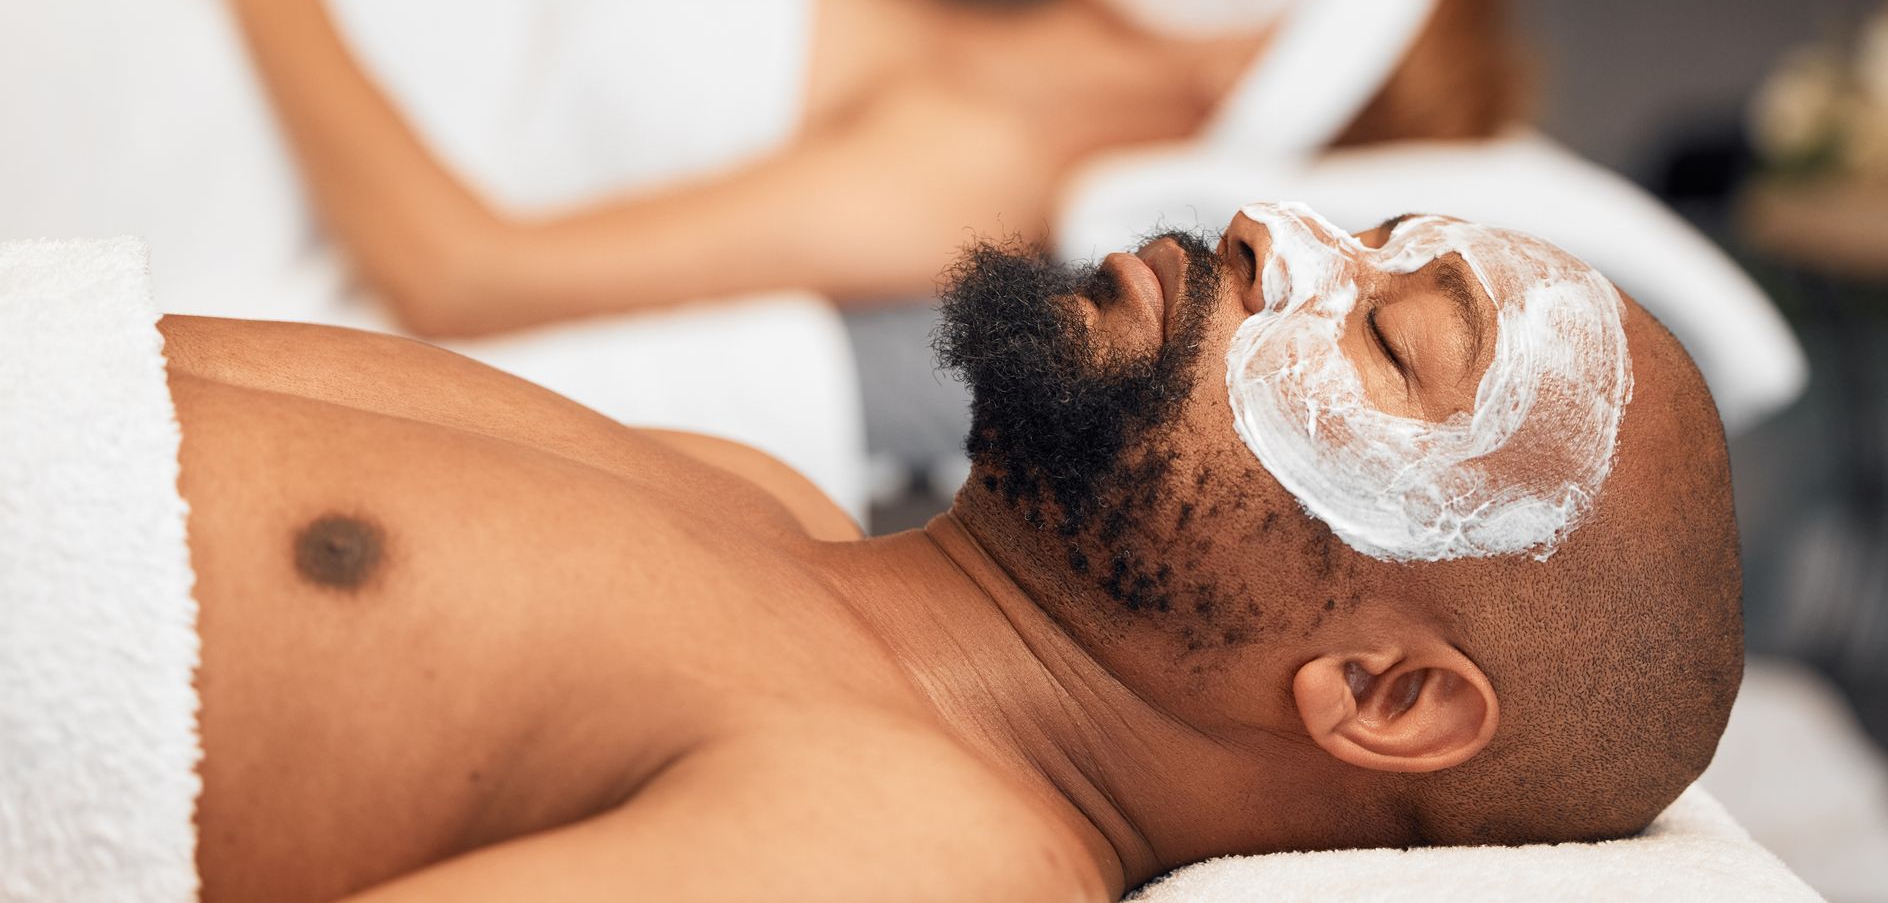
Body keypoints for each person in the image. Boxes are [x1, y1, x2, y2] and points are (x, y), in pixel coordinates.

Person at [116, 200, 1735, 901]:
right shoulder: (752, 495)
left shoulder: (923, 855)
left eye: (1388, 342)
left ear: (1379, 694)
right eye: (1363, 233)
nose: (1264, 229)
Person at [85, 0, 1523, 339]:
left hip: (156, 94)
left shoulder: (962, 175)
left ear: (1251, 81)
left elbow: (466, 271)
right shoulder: (932, 38)